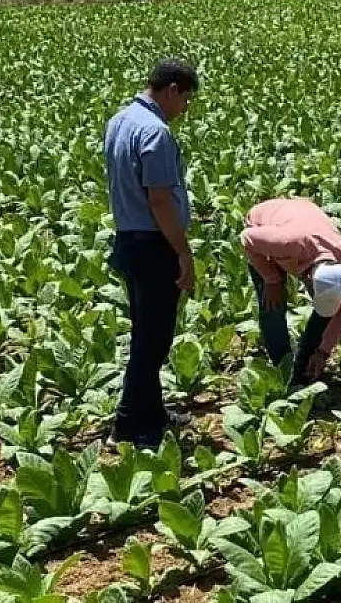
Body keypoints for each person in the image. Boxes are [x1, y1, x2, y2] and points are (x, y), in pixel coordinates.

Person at [104, 58, 199, 449]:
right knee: (153, 340)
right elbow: (160, 200)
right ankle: (128, 422)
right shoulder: (155, 132)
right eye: (186, 99)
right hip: (154, 243)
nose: (186, 109)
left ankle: (153, 412)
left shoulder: (119, 121)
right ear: (171, 89)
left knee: (146, 330)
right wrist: (183, 251)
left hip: (128, 239)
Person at [241, 198, 341, 386]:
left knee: (325, 317)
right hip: (265, 226)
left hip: (305, 221)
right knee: (272, 303)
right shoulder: (287, 242)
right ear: (309, 281)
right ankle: (283, 368)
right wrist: (272, 280)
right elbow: (247, 238)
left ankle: (304, 365)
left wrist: (323, 351)